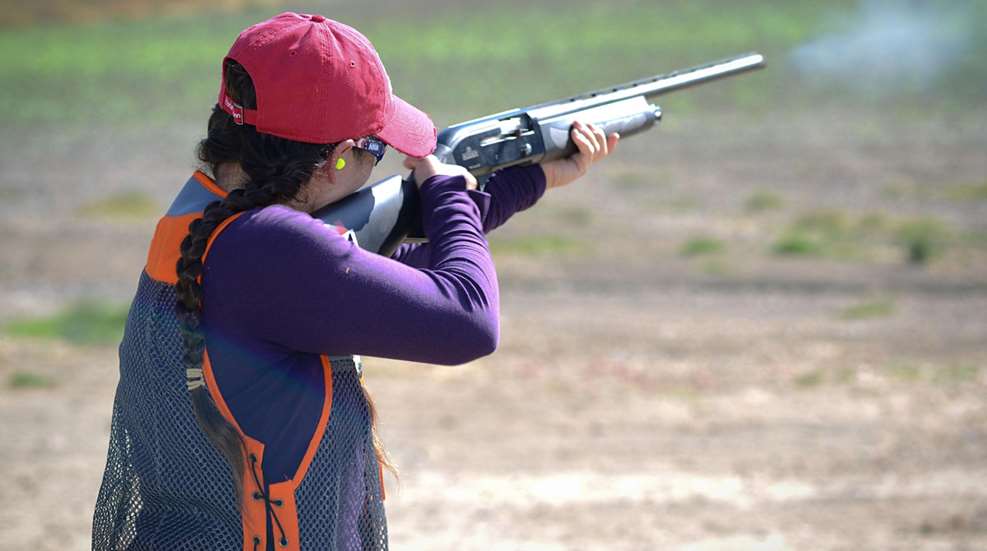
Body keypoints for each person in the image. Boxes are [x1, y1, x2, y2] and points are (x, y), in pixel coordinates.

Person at [91, 11, 618, 551]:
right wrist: (446, 193)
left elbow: (391, 271)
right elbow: (469, 320)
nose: (384, 161)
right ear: (337, 161)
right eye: (376, 149)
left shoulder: (202, 222)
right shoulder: (275, 249)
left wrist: (534, 178)